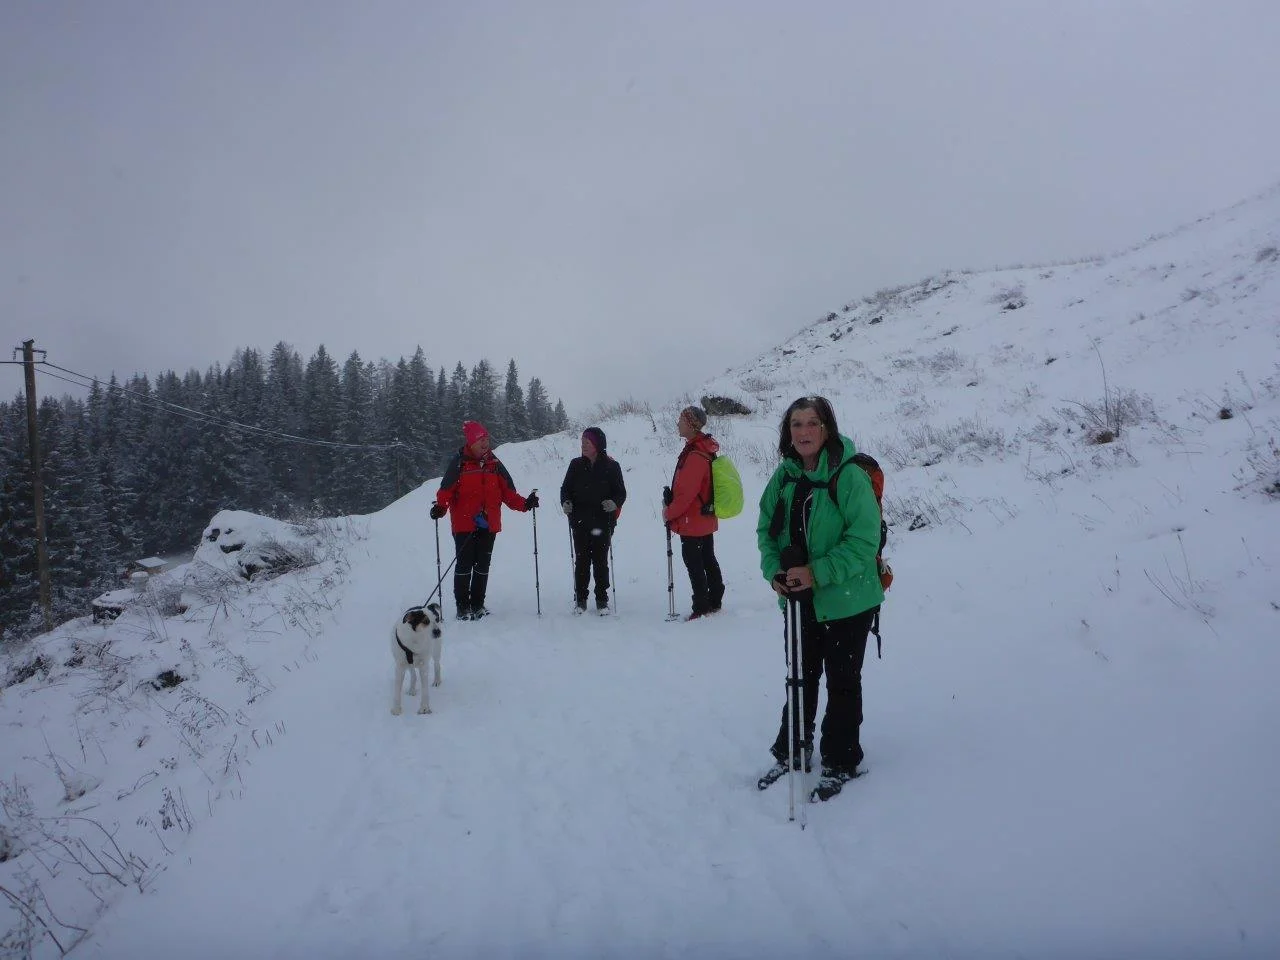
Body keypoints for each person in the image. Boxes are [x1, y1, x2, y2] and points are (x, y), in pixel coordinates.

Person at [756, 395, 884, 796]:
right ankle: (792, 749)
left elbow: (864, 539)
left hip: (847, 599)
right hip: (799, 599)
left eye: (812, 423)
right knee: (800, 677)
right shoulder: (785, 475)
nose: (804, 432)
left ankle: (841, 759)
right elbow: (766, 531)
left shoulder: (847, 476)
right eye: (796, 424)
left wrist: (817, 573)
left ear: (827, 428)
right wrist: (774, 573)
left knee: (842, 681)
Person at [430, 420, 539, 620]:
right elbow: (445, 490)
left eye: (487, 439)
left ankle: (478, 605)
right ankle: (463, 607)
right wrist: (440, 508)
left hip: (488, 525)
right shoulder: (459, 463)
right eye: (481, 440)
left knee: (482, 566)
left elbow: (508, 493)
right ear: (470, 442)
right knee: (464, 565)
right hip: (464, 524)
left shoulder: (495, 464)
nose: (485, 443)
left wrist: (526, 504)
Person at [662, 405, 725, 620]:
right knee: (707, 559)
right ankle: (714, 599)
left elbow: (687, 494)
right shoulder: (701, 449)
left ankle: (701, 606)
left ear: (691, 424)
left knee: (695, 563)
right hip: (703, 517)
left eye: (681, 419)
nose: (677, 423)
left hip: (693, 520)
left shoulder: (696, 454)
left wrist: (668, 513)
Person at [559, 426, 627, 614]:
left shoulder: (612, 466)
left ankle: (601, 599)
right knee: (581, 560)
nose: (583, 445)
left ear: (597, 444)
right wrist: (566, 502)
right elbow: (565, 488)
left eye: (587, 442)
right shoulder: (575, 465)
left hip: (603, 521)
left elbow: (621, 492)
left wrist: (614, 503)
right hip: (580, 521)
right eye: (582, 442)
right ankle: (580, 599)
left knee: (600, 560)